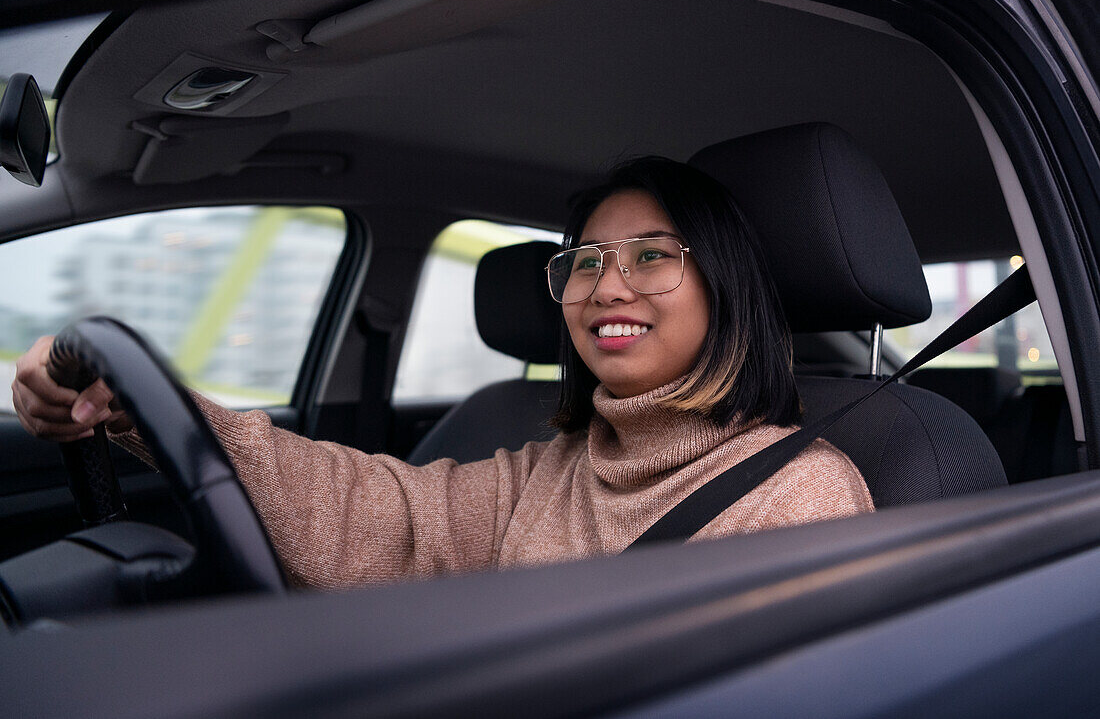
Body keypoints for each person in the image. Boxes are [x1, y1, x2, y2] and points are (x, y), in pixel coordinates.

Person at [11, 157, 873, 588]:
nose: (606, 285)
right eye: (584, 260)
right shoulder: (555, 468)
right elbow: (371, 513)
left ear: (726, 289)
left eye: (652, 256)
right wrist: (137, 407)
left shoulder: (801, 497)